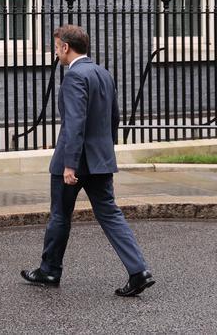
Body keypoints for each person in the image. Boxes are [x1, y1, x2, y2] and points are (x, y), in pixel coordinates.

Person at [21, 24, 155, 297]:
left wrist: (70, 164)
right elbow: (114, 117)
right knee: (110, 214)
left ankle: (49, 270)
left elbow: (74, 123)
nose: (55, 52)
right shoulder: (103, 73)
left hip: (73, 162)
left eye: (56, 47)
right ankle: (138, 270)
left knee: (60, 215)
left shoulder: (74, 76)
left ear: (66, 47)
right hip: (100, 160)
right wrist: (105, 151)